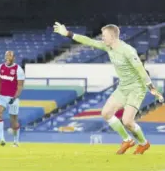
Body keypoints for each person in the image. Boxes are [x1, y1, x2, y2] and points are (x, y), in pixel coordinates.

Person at [53, 22, 164, 154]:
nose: (102, 38)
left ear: (112, 36)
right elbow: (89, 41)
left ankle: (143, 143)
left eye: (104, 36)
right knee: (106, 113)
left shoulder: (127, 50)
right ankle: (127, 140)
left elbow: (140, 68)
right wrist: (67, 33)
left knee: (127, 121)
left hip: (136, 88)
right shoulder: (108, 47)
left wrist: (150, 87)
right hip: (123, 87)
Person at [0, 50, 25, 147]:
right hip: (2, 96)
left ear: (14, 58)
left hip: (13, 97)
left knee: (13, 121)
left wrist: (15, 97)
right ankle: (2, 139)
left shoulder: (18, 70)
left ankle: (16, 141)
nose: (7, 57)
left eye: (10, 55)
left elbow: (20, 86)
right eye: (6, 55)